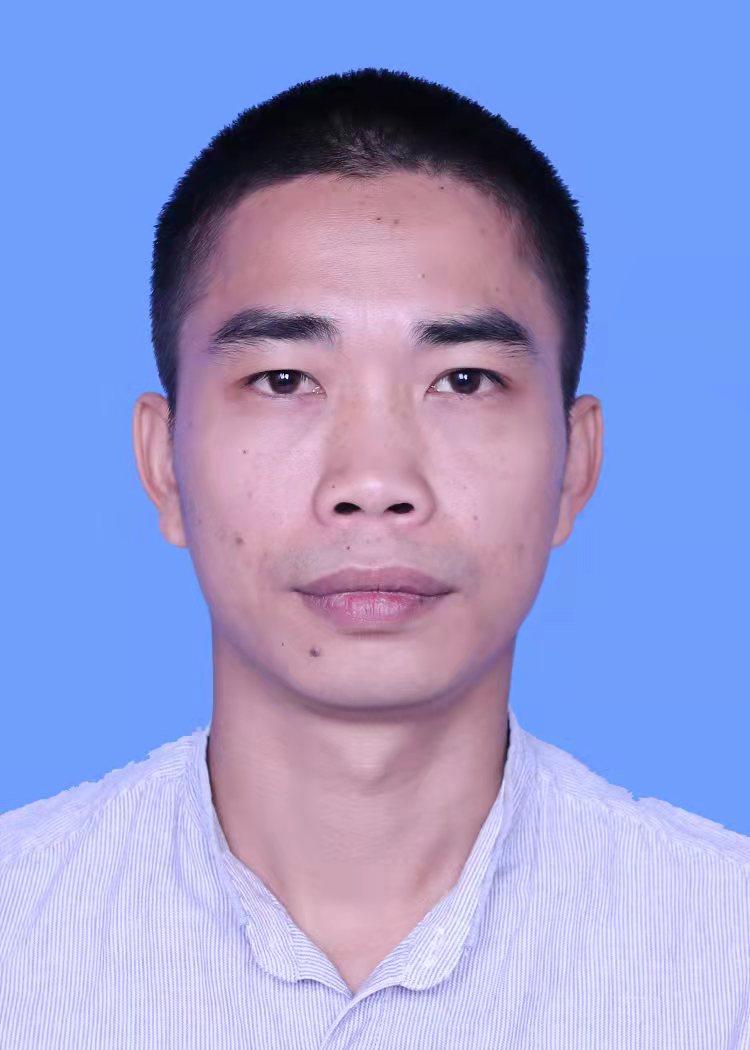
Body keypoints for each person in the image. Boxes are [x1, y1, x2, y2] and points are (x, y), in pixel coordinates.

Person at [1, 67, 747, 1049]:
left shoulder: (724, 957)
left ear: (576, 465)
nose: (374, 481)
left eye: (464, 380)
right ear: (163, 464)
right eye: (283, 380)